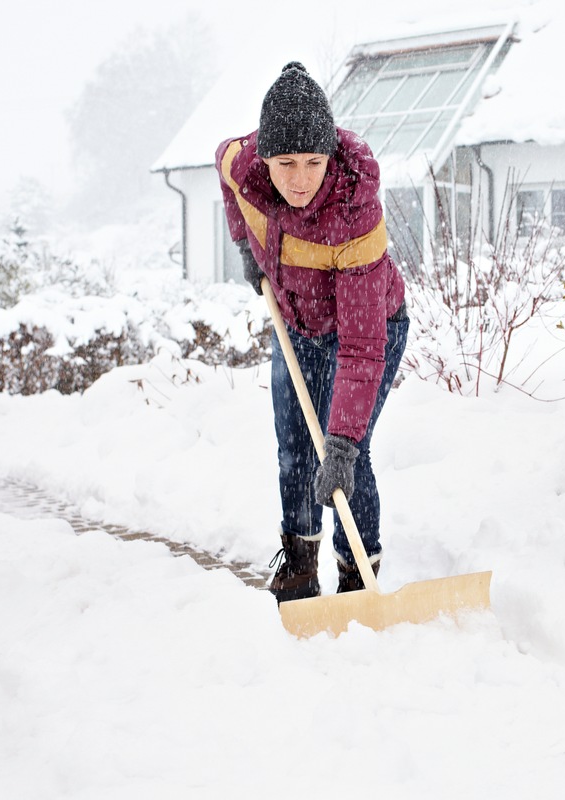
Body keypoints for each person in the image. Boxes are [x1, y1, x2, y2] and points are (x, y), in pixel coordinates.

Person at [215, 62, 409, 604]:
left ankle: (357, 579)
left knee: (346, 454)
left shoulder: (354, 212)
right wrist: (246, 251)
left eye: (314, 162)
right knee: (294, 450)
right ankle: (300, 567)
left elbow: (362, 347)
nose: (301, 178)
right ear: (264, 159)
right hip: (295, 321)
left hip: (369, 332)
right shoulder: (242, 166)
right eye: (286, 163)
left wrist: (342, 442)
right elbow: (226, 177)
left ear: (330, 156)